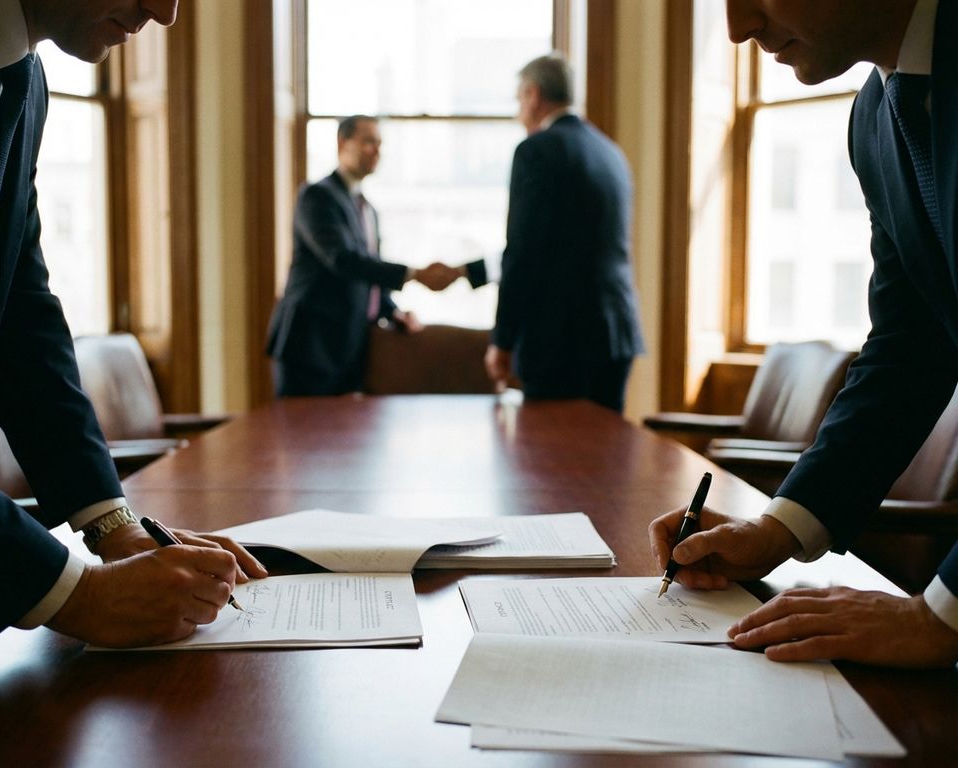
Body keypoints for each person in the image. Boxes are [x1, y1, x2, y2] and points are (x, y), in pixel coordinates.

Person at [0, 0, 267, 651]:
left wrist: (113, 524)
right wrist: (74, 595)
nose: (165, 12)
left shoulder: (22, 79)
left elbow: (19, 318)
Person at [650, 0, 958, 668]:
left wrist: (943, 614)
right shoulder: (875, 116)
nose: (737, 27)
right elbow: (913, 345)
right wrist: (778, 528)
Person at [266, 115, 485, 396]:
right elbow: (343, 260)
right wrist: (414, 274)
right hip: (311, 346)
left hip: (349, 346)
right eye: (368, 142)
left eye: (380, 144)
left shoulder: (368, 209)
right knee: (303, 435)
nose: (376, 152)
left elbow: (366, 278)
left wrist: (392, 311)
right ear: (342, 143)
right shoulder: (316, 197)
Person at [483, 54, 646, 413]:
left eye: (518, 100)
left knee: (551, 462)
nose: (518, 112)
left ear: (533, 94)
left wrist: (503, 340)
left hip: (561, 341)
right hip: (615, 334)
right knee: (605, 457)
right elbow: (570, 244)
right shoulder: (610, 152)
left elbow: (524, 251)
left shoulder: (536, 151)